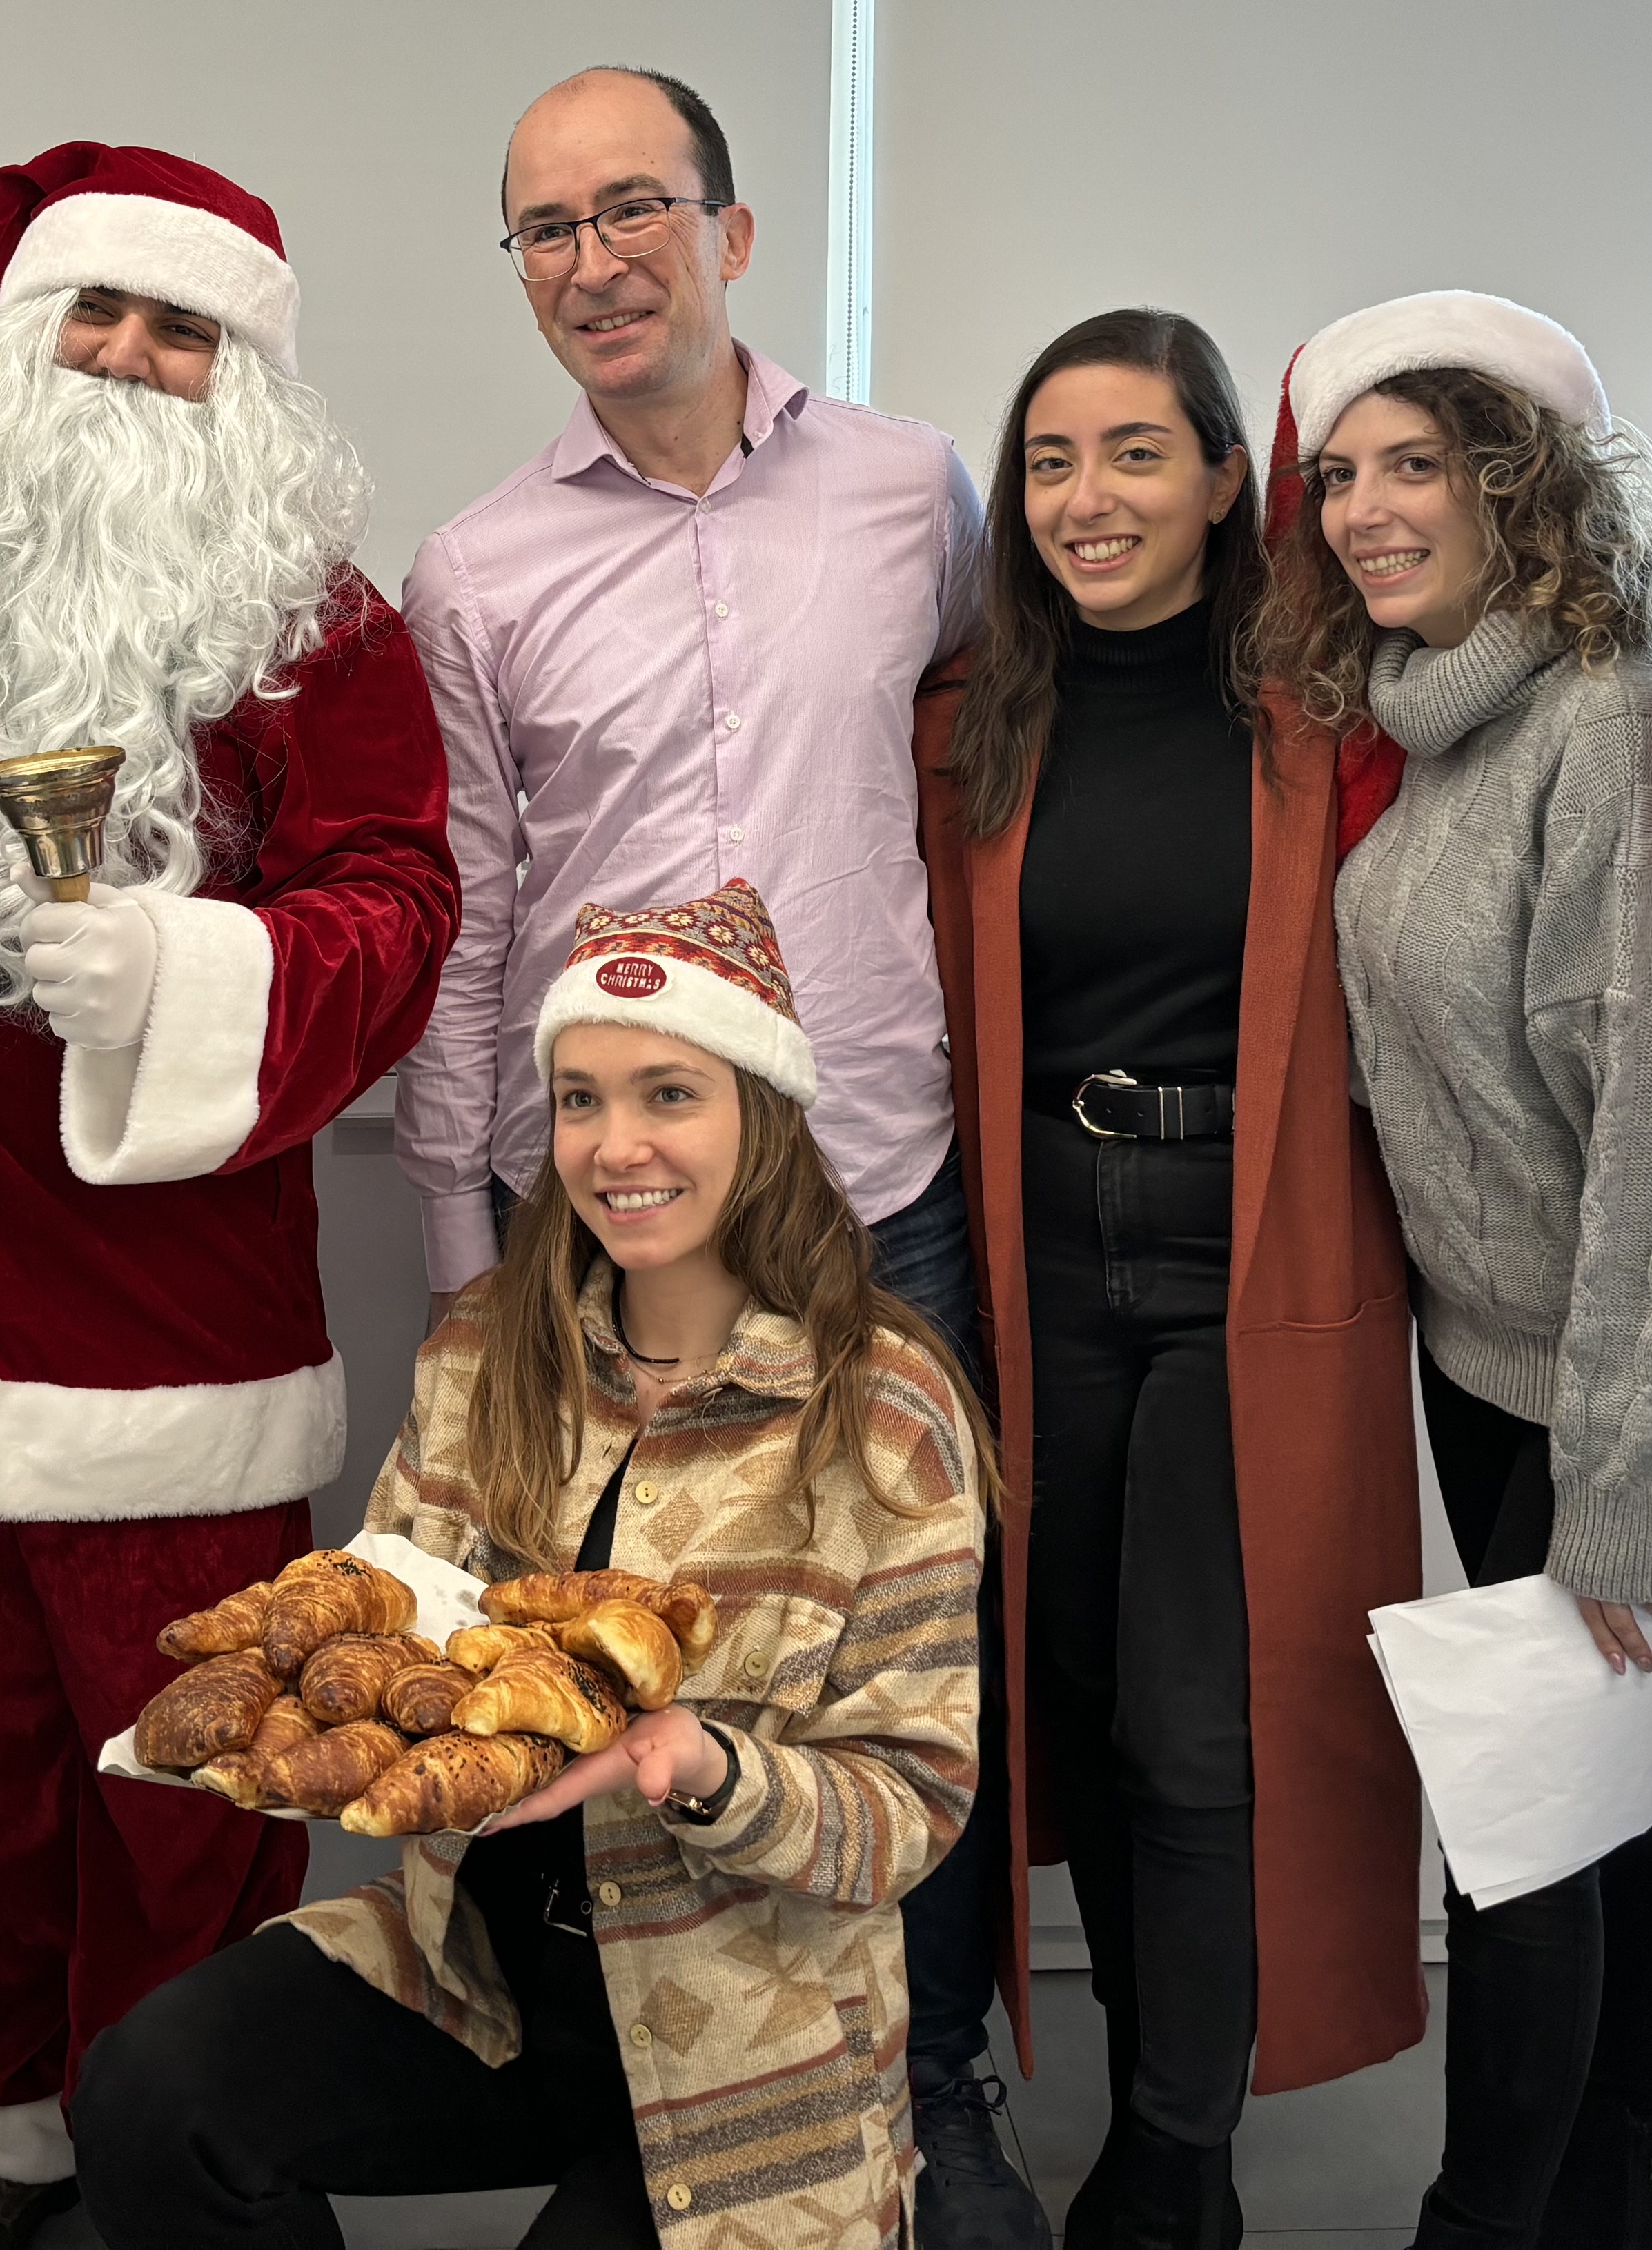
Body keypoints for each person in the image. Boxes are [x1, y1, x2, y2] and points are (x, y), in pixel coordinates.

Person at [0, 141, 460, 2250]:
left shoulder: (314, 619)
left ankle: (182, 2152)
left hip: (143, 1298)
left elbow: (398, 901)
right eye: (98, 311)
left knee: (187, 1769)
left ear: (247, 374)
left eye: (184, 327)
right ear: (18, 333)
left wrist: (181, 972)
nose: (131, 357)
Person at [395, 65, 1036, 2240]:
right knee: (620, 1650)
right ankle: (646, 2094)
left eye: (635, 208)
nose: (595, 260)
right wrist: (463, 1230)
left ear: (733, 231)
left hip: (876, 1180)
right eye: (546, 227)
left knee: (899, 1657)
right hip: (601, 1209)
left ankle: (923, 2082)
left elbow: (980, 782)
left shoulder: (909, 491)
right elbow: (473, 904)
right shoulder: (478, 569)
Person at [78, 882, 990, 2249]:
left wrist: (699, 1764)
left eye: (669, 1094)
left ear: (762, 1113)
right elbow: (390, 1623)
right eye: (580, 1100)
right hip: (481, 1981)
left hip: (737, 2040)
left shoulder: (884, 1412)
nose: (617, 1146)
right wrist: (290, 1702)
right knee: (151, 2093)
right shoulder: (485, 1352)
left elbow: (912, 1806)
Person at [1264, 293, 1652, 2248]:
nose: (1365, 508)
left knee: (1519, 1834)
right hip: (1507, 1352)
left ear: (1520, 487)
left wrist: (1627, 1471)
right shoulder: (1439, 722)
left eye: (1416, 464)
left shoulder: (1616, 736)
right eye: (1342, 473)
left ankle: (1482, 2227)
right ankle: (1635, 2191)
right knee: (1602, 1801)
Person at [914, 308, 1428, 2250]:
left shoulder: (1333, 710)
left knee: (1202, 1718)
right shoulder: (972, 719)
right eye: (1050, 460)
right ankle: (1155, 2093)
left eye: (1137, 452)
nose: (1087, 498)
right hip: (1043, 1246)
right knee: (1081, 1699)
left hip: (1255, 1243)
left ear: (1229, 477)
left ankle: (1176, 2160)